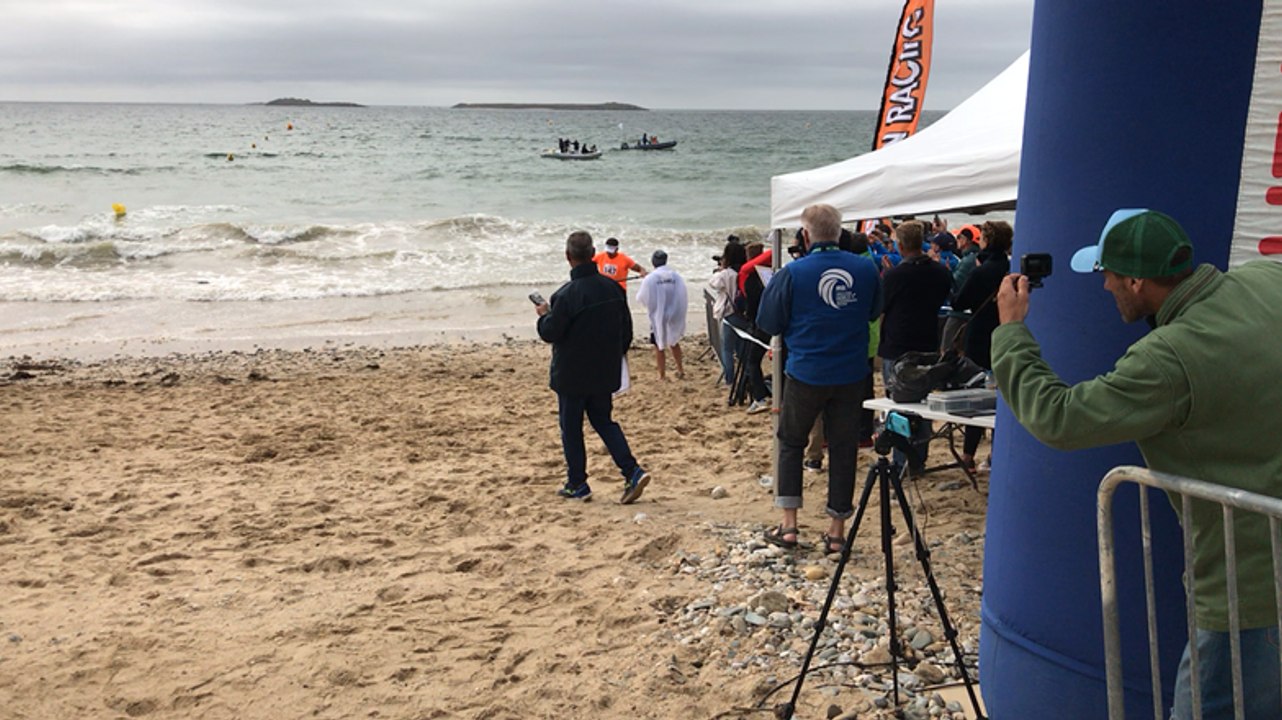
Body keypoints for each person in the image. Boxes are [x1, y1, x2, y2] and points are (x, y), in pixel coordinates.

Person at [992, 209, 1282, 720]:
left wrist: (1011, 332)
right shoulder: (1268, 278)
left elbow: (1060, 418)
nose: (1105, 286)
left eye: (1107, 274)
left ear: (1135, 281)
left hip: (1249, 589)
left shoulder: (1168, 356)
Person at [756, 204, 883, 554]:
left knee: (791, 441)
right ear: (839, 233)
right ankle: (836, 531)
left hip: (807, 370)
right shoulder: (866, 268)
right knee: (843, 447)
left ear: (805, 235)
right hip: (851, 371)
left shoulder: (793, 272)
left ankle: (789, 525)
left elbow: (768, 322)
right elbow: (874, 310)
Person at [536, 231, 650, 504]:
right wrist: (615, 356)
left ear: (568, 257)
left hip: (572, 374)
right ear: (593, 254)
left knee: (571, 428)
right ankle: (631, 471)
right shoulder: (612, 288)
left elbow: (551, 332)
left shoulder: (565, 295)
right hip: (603, 370)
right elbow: (626, 331)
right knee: (603, 421)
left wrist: (543, 316)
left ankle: (577, 483)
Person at [878, 220, 953, 471]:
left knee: (899, 402)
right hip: (927, 339)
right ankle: (918, 457)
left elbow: (882, 307)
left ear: (900, 246)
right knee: (921, 399)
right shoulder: (939, 272)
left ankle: (903, 459)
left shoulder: (895, 276)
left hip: (898, 342)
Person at [950, 220, 1012, 472]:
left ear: (986, 241)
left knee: (976, 396)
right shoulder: (1011, 268)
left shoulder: (981, 271)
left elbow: (959, 302)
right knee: (1004, 397)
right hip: (1006, 332)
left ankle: (968, 455)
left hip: (980, 334)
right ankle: (996, 455)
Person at [636, 250, 688, 381]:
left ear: (653, 262)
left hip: (658, 315)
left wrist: (652, 305)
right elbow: (682, 294)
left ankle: (662, 375)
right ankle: (680, 369)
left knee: (659, 345)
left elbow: (641, 298)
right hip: (673, 313)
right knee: (674, 342)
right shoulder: (675, 276)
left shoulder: (651, 278)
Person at [708, 241, 748, 387]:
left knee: (727, 349)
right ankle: (747, 376)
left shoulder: (726, 274)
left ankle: (729, 379)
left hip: (729, 313)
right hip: (744, 314)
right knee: (742, 349)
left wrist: (720, 269)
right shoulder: (745, 272)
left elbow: (713, 283)